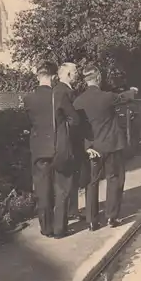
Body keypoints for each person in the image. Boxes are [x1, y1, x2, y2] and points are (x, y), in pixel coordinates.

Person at [73, 64, 135, 231]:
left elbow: (78, 128)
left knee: (92, 183)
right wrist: (133, 91)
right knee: (114, 179)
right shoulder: (107, 97)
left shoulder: (78, 102)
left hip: (93, 148)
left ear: (85, 80)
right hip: (112, 145)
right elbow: (124, 98)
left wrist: (87, 146)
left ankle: (92, 221)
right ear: (98, 78)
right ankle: (111, 217)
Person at [24, 60, 80, 239]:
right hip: (59, 148)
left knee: (42, 189)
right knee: (61, 188)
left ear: (38, 75)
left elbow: (31, 124)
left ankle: (45, 228)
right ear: (55, 76)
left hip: (39, 150)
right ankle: (59, 229)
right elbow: (75, 120)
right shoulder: (59, 95)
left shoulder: (29, 99)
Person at [54, 62, 85, 222]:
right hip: (68, 142)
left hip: (65, 141)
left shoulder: (59, 90)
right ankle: (66, 216)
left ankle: (72, 210)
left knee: (71, 180)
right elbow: (74, 119)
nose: (77, 74)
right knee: (66, 182)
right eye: (74, 72)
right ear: (67, 74)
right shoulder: (63, 92)